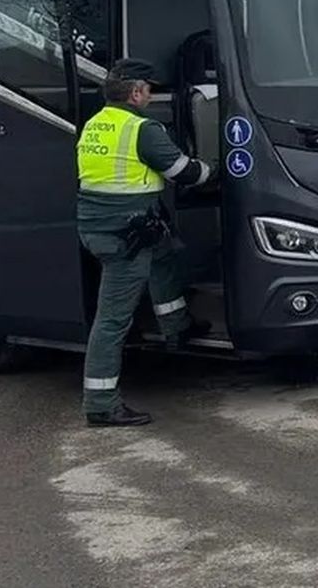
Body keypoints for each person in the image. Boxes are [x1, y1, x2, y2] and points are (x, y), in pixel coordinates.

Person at [75, 58, 213, 427]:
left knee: (164, 254)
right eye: (148, 89)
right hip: (125, 235)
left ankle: (177, 326)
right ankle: (101, 403)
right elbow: (183, 172)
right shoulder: (143, 129)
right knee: (112, 319)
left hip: (101, 227)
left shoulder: (95, 123)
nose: (151, 94)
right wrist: (214, 169)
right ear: (136, 93)